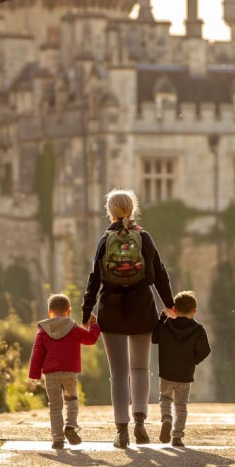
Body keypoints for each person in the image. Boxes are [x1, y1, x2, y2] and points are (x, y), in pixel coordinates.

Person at [82, 188, 177, 449]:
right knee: (139, 369)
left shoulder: (105, 240)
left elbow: (94, 279)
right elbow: (159, 273)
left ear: (109, 212)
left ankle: (121, 430)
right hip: (141, 307)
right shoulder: (144, 237)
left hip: (110, 309)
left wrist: (86, 311)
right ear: (132, 210)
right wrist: (169, 304)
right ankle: (140, 423)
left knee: (118, 373)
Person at [28, 294, 101, 449]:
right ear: (68, 311)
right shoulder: (73, 328)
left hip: (51, 374)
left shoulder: (43, 330)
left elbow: (37, 353)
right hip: (70, 372)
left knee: (55, 406)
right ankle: (70, 426)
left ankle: (57, 439)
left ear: (49, 311)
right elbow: (90, 339)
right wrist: (94, 324)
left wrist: (34, 375)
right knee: (72, 401)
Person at [151, 290, 211, 447]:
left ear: (174, 310)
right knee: (181, 406)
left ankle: (166, 419)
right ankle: (177, 436)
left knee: (165, 399)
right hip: (185, 374)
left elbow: (154, 338)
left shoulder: (166, 326)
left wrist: (163, 316)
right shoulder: (198, 330)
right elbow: (205, 350)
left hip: (166, 373)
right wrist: (192, 361)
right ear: (194, 311)